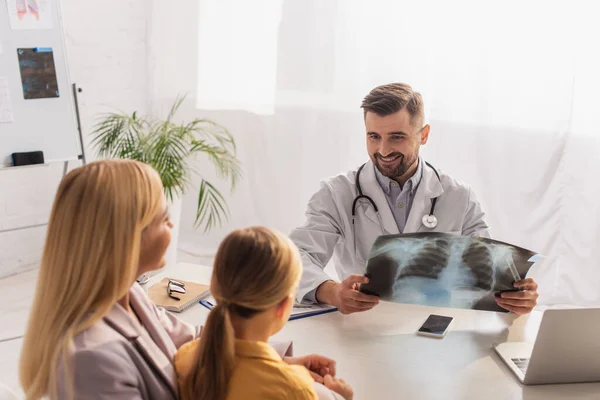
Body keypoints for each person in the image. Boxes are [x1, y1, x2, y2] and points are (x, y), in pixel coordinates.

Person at [18, 160, 331, 400]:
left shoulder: (130, 297)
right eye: (163, 218)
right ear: (127, 238)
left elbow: (194, 339)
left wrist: (277, 367)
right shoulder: (90, 360)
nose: (172, 225)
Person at [290, 83, 539, 315]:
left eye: (397, 137)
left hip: (437, 326)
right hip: (364, 323)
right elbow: (296, 258)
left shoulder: (459, 196)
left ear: (424, 135)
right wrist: (333, 292)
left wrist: (517, 297)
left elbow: (489, 273)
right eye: (373, 136)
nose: (383, 150)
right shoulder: (336, 193)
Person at [174, 227, 353, 400]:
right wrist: (339, 397)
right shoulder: (294, 391)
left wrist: (284, 364)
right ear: (283, 307)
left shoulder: (187, 356)